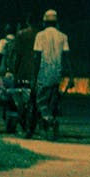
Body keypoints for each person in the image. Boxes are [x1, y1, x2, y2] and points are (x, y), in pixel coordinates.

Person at [32, 9, 74, 137]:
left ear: (44, 22)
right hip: (57, 74)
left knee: (40, 102)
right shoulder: (63, 36)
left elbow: (37, 57)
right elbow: (67, 57)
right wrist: (71, 77)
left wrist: (34, 76)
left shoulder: (40, 35)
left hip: (43, 73)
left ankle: (50, 121)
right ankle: (48, 127)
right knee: (52, 102)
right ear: (56, 23)